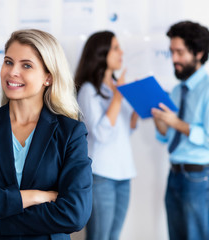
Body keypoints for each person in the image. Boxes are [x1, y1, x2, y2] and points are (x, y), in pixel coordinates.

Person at [0, 29, 92, 239]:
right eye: (8, 62)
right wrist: (35, 197)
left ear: (48, 77)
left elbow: (75, 213)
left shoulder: (70, 132)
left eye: (26, 65)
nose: (12, 72)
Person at [75, 31, 138, 240]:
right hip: (101, 175)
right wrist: (118, 98)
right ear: (101, 53)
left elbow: (126, 129)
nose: (121, 52)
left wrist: (139, 105)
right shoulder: (88, 90)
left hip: (124, 173)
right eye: (116, 47)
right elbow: (101, 133)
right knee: (99, 237)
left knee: (113, 236)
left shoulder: (117, 88)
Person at [151, 21, 209, 240]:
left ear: (199, 52)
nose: (174, 59)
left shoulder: (207, 89)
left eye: (179, 52)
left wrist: (175, 123)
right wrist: (160, 120)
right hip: (174, 174)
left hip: (198, 177)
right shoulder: (176, 90)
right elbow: (167, 137)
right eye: (171, 52)